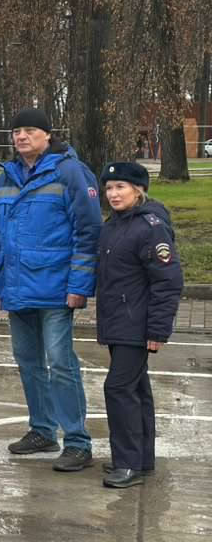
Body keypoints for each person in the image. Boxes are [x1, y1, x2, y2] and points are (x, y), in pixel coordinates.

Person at [0, 107, 103, 471]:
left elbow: (89, 231)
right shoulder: (4, 178)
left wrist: (79, 285)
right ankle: (42, 430)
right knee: (29, 362)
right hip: (17, 288)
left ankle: (78, 441)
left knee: (61, 362)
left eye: (30, 130)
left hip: (55, 289)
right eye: (16, 131)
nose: (21, 137)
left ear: (47, 136)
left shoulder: (70, 173)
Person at [96, 162, 182, 488]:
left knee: (118, 389)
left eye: (121, 187)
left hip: (136, 324)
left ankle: (127, 463)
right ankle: (141, 459)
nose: (114, 194)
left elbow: (168, 281)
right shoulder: (115, 224)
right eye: (109, 188)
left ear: (138, 190)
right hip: (119, 321)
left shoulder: (151, 227)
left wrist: (158, 330)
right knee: (136, 389)